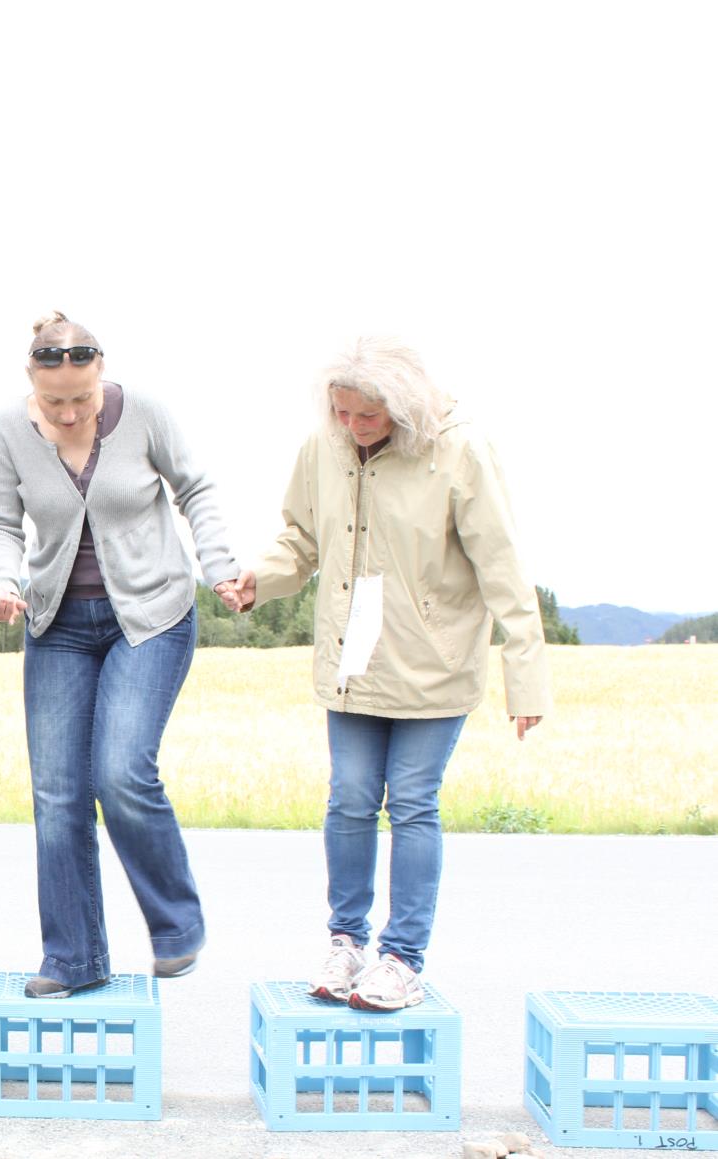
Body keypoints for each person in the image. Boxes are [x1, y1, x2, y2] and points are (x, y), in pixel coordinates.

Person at [232, 336, 550, 1011]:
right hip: (352, 657)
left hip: (432, 663)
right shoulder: (323, 446)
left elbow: (502, 565)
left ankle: (401, 957)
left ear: (401, 411)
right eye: (340, 413)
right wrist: (259, 578)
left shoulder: (459, 449)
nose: (350, 427)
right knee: (348, 795)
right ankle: (345, 942)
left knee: (410, 802)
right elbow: (301, 538)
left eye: (365, 416)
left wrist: (525, 675)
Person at [0, 312, 237, 999]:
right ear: (31, 384)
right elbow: (0, 524)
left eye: (81, 400)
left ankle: (176, 923)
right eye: (53, 401)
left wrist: (219, 565)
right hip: (57, 623)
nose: (68, 414)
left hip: (149, 616)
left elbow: (196, 491)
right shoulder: (7, 430)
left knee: (120, 772)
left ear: (101, 377)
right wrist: (2, 580)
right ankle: (73, 956)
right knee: (57, 795)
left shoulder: (145, 413)